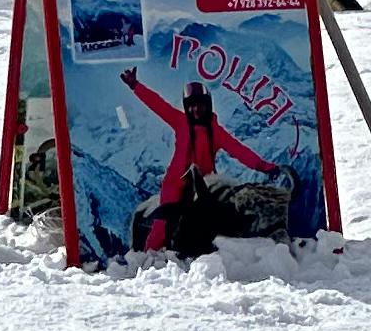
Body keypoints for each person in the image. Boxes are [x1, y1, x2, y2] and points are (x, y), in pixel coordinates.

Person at [119, 63, 281, 255]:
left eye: (200, 105)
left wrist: (265, 167)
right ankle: (148, 258)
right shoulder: (180, 122)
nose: (196, 109)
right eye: (192, 105)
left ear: (207, 105)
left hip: (205, 184)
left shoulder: (216, 131)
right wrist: (135, 86)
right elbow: (158, 105)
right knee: (163, 223)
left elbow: (239, 151)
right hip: (176, 183)